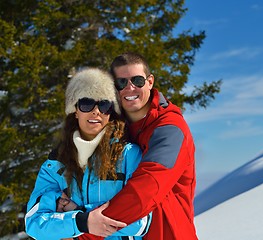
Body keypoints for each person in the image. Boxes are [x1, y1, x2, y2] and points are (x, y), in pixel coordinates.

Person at [79, 52, 198, 240]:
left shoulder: (171, 129)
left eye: (137, 80)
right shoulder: (113, 128)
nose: (130, 88)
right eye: (121, 83)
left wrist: (84, 233)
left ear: (150, 82)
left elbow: (147, 189)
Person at [25, 68, 151, 239]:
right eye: (86, 103)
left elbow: (141, 222)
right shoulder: (55, 164)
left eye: (104, 105)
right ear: (75, 110)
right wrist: (82, 221)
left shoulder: (129, 155)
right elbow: (34, 223)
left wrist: (78, 212)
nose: (96, 111)